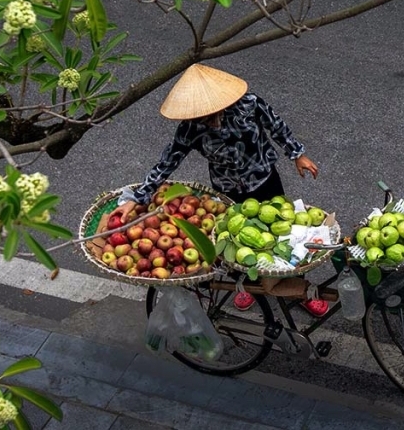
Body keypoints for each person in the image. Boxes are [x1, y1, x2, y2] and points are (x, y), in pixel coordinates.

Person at [110, 63, 328, 315]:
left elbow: (276, 126)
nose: (209, 119)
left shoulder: (249, 105)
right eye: (202, 115)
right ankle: (247, 286)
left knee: (283, 235)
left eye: (212, 111)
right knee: (236, 241)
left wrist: (297, 154)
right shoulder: (190, 128)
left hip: (264, 181)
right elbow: (168, 161)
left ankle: (300, 289)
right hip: (227, 190)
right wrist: (139, 196)